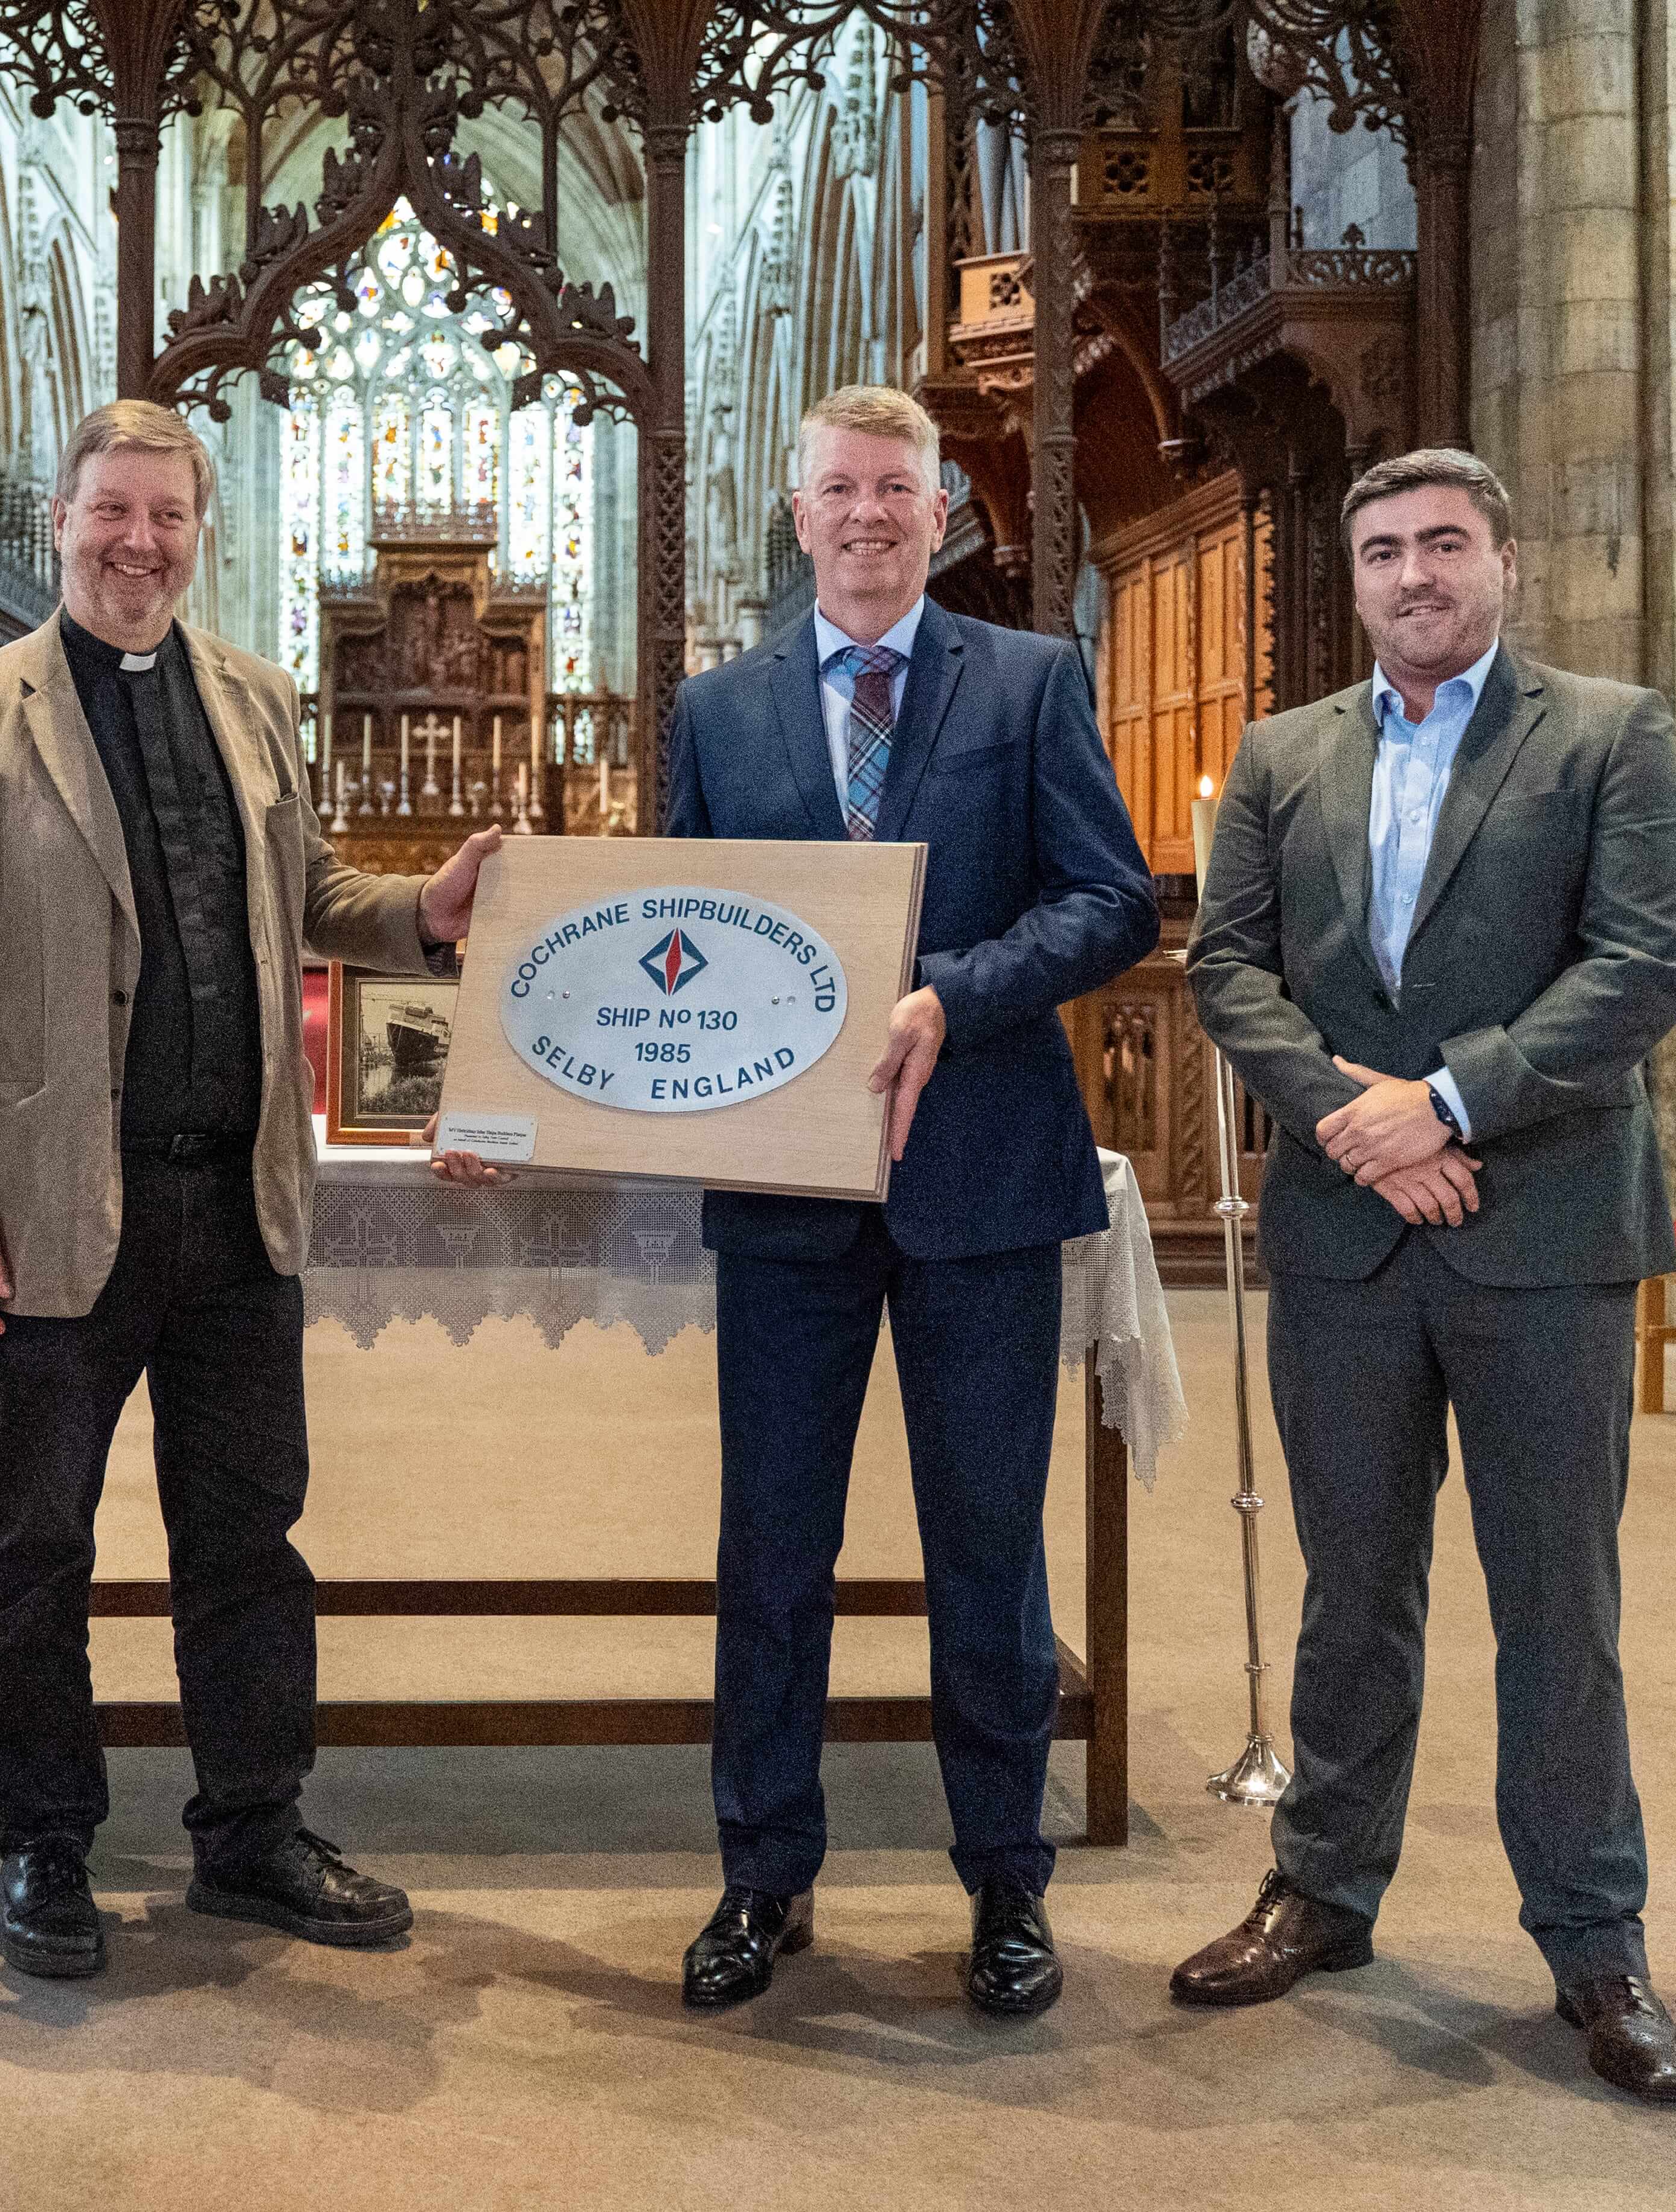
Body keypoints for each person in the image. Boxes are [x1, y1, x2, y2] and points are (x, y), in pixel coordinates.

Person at [474, 382, 1154, 2018]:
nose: (866, 515)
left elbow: (1112, 900)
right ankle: (761, 1873)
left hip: (980, 1181)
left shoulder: (1030, 679)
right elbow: (673, 949)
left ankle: (1005, 1882)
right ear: (798, 517)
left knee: (985, 1547)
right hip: (785, 1194)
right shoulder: (722, 712)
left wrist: (952, 994)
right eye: (839, 489)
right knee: (771, 1547)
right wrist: (525, 1098)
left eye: (894, 490)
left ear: (940, 512)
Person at [0, 399, 499, 1979]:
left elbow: (308, 894)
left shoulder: (256, 697)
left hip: (236, 1203)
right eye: (112, 512)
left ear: (196, 533)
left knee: (247, 1536)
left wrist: (423, 912)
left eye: (166, 516)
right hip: (52, 1210)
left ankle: (251, 1832)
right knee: (36, 1545)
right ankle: (43, 1845)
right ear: (61, 520)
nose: (138, 543)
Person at [1177, 447, 1676, 2105]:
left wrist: (1449, 1102)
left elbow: (1640, 964)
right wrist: (1361, 1124)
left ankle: (1594, 1940)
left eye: (1445, 544)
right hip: (1348, 1239)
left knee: (1557, 1603)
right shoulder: (1286, 754)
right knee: (1353, 1592)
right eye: (1385, 551)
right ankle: (1323, 1891)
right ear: (1354, 583)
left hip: (1540, 1228)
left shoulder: (1606, 734)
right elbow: (1228, 968)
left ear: (1503, 562)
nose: (1416, 574)